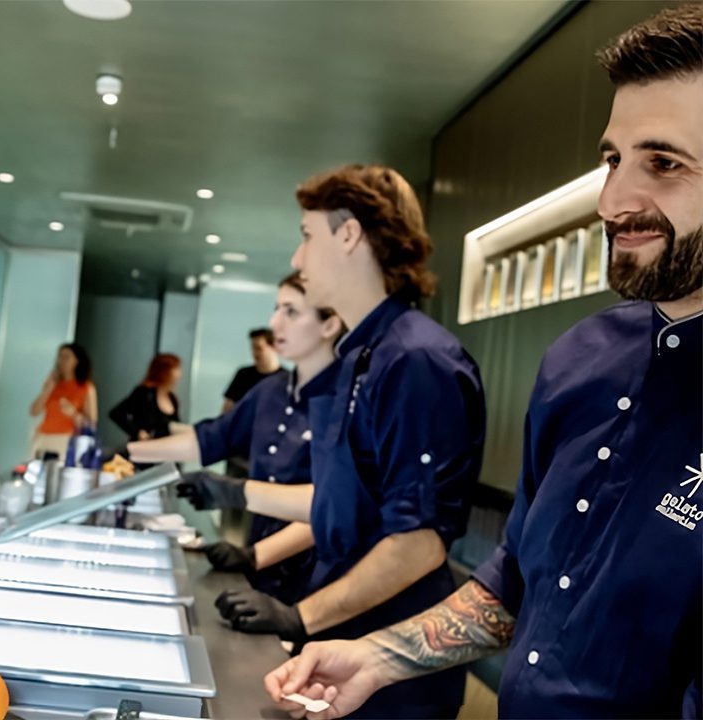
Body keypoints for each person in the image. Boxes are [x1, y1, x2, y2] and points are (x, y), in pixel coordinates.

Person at [266, 7, 702, 718]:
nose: (612, 201)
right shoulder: (580, 358)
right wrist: (377, 657)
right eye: (612, 160)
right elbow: (513, 585)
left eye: (664, 163)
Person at [178, 164, 486, 718]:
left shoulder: (415, 360)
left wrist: (301, 617)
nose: (298, 258)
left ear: (349, 236)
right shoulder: (357, 358)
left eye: (306, 236)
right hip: (343, 637)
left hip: (392, 659)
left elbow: (418, 543)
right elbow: (343, 503)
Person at [128, 273, 342, 607]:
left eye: (291, 312)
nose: (275, 323)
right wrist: (130, 452)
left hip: (316, 580)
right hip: (262, 562)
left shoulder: (347, 402)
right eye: (276, 310)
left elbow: (332, 507)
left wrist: (253, 553)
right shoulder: (270, 391)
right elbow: (210, 438)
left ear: (329, 325)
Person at [28, 343, 98, 457]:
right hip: (43, 437)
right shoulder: (53, 384)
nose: (62, 361)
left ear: (77, 361)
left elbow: (91, 424)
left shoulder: (86, 387)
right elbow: (34, 411)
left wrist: (73, 414)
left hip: (67, 440)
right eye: (60, 356)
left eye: (67, 357)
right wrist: (47, 389)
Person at [108, 353, 182, 443]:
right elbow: (117, 413)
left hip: (165, 451)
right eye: (176, 368)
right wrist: (138, 432)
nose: (179, 373)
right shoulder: (144, 393)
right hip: (145, 449)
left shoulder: (172, 398)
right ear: (165, 371)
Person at [221, 327, 281, 413]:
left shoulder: (288, 379)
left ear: (275, 348)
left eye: (258, 348)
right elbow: (227, 409)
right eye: (252, 348)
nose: (254, 353)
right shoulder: (243, 374)